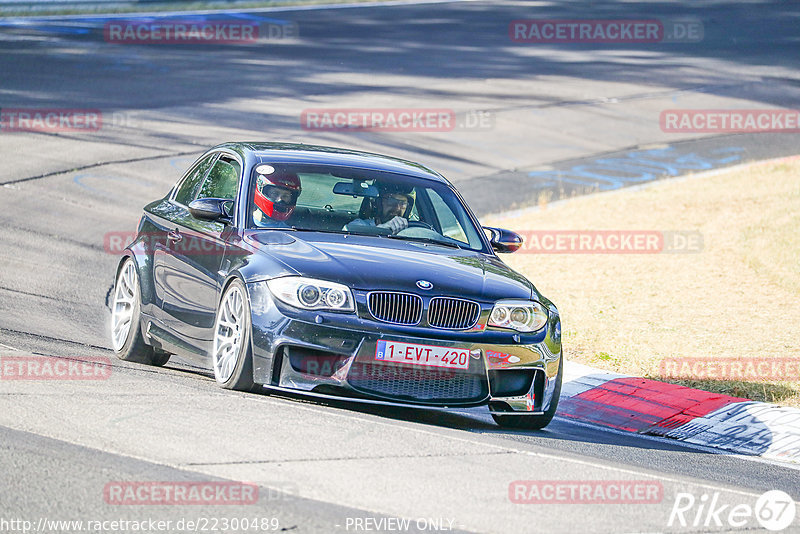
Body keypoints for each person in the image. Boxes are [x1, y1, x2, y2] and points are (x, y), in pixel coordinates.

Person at [344, 182, 415, 234]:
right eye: (391, 201)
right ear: (377, 204)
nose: (397, 208)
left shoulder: (413, 231)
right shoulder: (360, 225)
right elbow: (347, 236)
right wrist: (383, 228)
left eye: (402, 203)